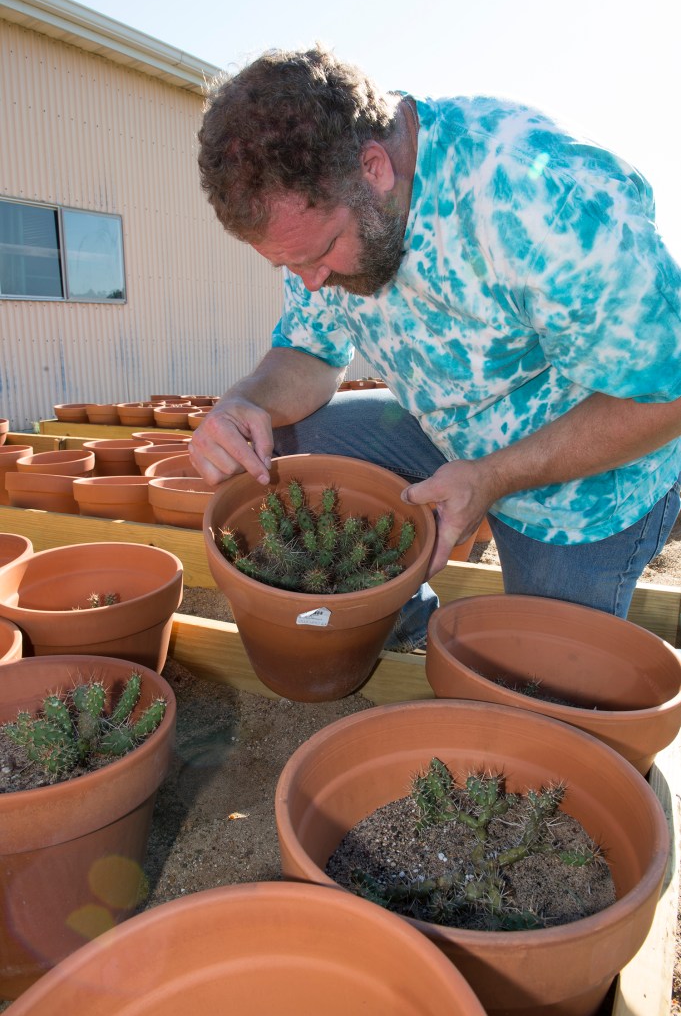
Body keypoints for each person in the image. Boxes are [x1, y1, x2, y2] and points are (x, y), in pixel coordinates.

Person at [190, 44, 681, 651]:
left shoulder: (545, 199)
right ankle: (403, 621)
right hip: (450, 434)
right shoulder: (326, 201)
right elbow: (309, 356)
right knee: (286, 444)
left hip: (588, 480)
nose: (309, 280)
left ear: (374, 167)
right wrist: (244, 402)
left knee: (550, 678)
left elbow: (665, 397)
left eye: (318, 255)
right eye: (289, 266)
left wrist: (494, 477)